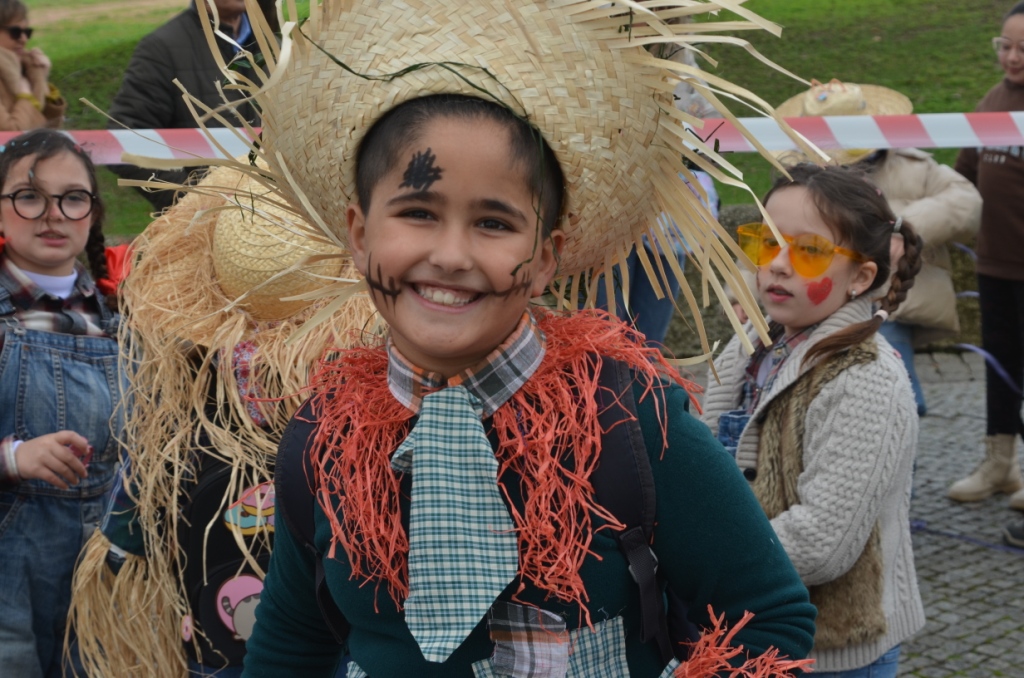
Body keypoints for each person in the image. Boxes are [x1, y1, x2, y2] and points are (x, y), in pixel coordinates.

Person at [204, 2, 824, 676]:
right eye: (417, 213)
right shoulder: (324, 437)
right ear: (359, 234)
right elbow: (290, 645)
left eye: (494, 224)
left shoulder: (627, 416)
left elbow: (769, 617)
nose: (450, 255)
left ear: (546, 256)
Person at [66, 164, 375, 678]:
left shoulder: (188, 402)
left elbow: (134, 516)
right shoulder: (353, 407)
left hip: (225, 643)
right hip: (318, 642)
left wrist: (122, 554)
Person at [702, 164, 927, 676]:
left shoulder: (865, 378)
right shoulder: (753, 344)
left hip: (829, 650)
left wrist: (702, 554)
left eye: (808, 251)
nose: (778, 265)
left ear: (861, 278)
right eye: (768, 242)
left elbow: (822, 541)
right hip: (749, 627)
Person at [774, 80, 982, 417]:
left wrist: (903, 228)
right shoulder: (800, 179)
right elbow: (772, 235)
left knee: (895, 395)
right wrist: (738, 293)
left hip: (885, 304)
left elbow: (966, 200)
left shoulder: (914, 166)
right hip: (812, 299)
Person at [0, 129, 123, 676]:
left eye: (72, 198)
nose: (53, 214)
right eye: (29, 196)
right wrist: (13, 457)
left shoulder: (126, 316)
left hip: (108, 576)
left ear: (92, 213)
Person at [950, 1, 1024, 526]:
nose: (1013, 57)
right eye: (1006, 46)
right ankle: (1000, 463)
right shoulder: (992, 102)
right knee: (1000, 367)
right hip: (994, 265)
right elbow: (963, 176)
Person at [106, 0, 275, 211]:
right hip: (206, 221)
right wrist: (193, 201)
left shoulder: (274, 43)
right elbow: (123, 142)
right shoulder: (161, 49)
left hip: (280, 219)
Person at [0, 0, 64, 130]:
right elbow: (10, 133)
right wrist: (25, 97)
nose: (24, 39)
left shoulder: (23, 68)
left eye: (27, 32)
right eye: (15, 32)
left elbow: (50, 130)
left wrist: (40, 80)